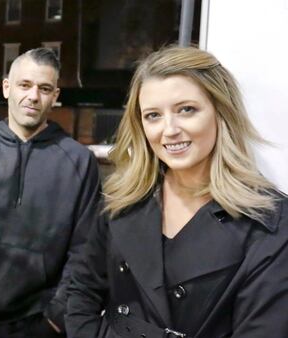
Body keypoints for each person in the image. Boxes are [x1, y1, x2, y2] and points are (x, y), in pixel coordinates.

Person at [66, 46, 288, 337]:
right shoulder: (122, 198)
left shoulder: (271, 220)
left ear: (221, 112)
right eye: (153, 115)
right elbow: (81, 294)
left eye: (186, 110)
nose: (169, 130)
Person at [0, 47, 102, 337]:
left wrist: (55, 319)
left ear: (55, 96)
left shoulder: (79, 162)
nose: (33, 96)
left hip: (38, 323)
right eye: (25, 85)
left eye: (44, 88)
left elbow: (86, 250)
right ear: (7, 88)